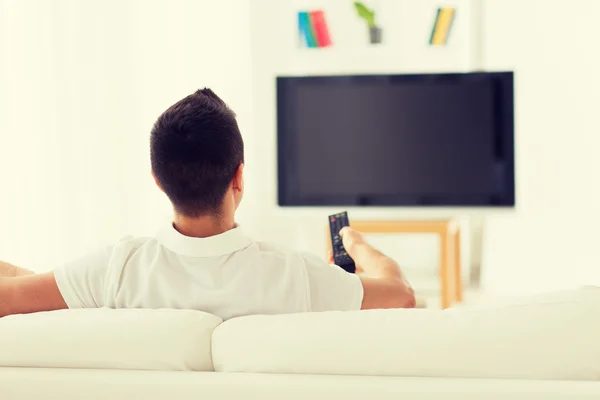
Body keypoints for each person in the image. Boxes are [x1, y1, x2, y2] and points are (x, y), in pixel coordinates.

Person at [0, 89, 415, 319]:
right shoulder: (297, 277)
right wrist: (357, 246)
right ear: (238, 177)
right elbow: (400, 295)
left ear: (158, 181)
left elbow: (12, 298)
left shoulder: (116, 271)